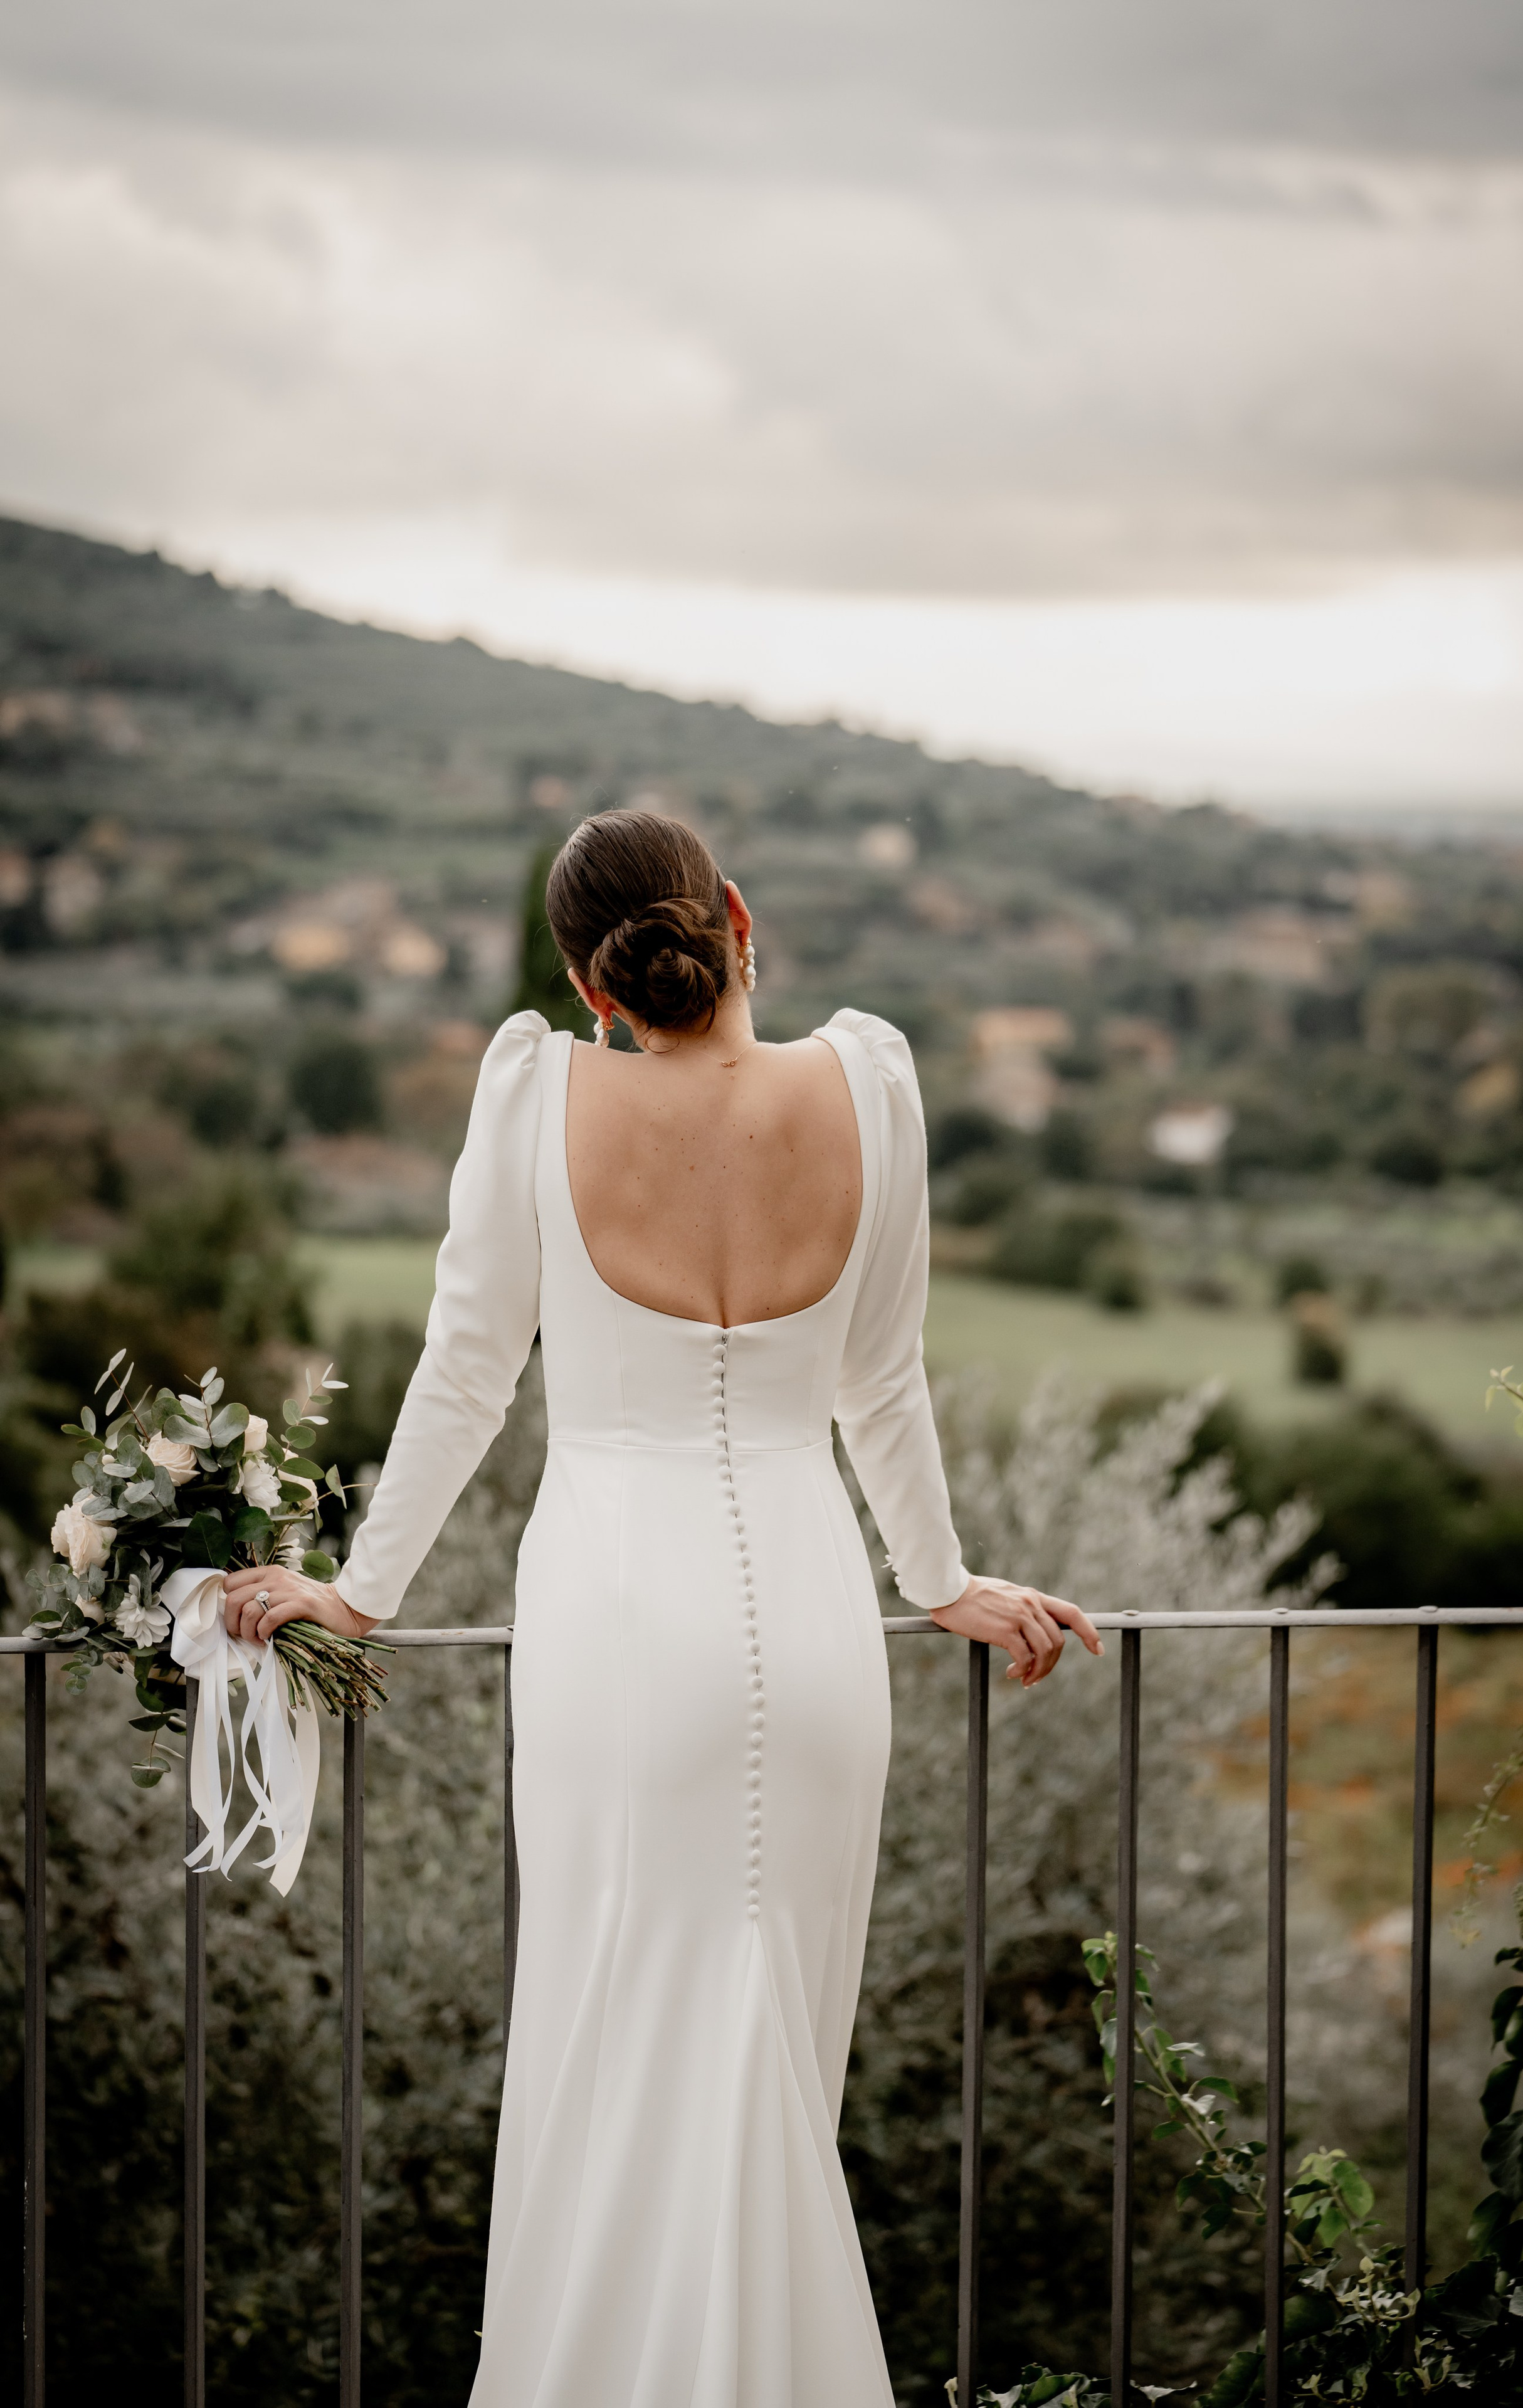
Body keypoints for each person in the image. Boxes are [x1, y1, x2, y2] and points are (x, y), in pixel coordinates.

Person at [224, 808, 1102, 2407]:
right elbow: (883, 1380)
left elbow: (467, 1375)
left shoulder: (536, 1094)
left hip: (617, 1631)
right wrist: (938, 1581)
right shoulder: (869, 1085)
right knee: (774, 2077)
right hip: (819, 1629)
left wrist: (357, 1594)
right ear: (736, 915)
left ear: (588, 981)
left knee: (613, 2050)